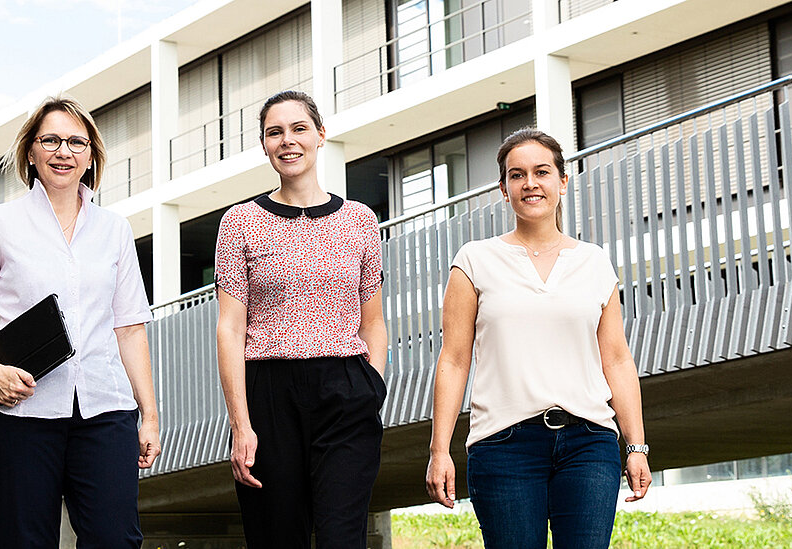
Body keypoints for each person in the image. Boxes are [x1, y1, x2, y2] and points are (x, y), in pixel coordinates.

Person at [0, 95, 161, 548]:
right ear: (30, 153)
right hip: (22, 415)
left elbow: (130, 327)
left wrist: (150, 416)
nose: (64, 152)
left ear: (91, 156)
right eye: (51, 140)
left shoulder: (115, 229)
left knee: (116, 540)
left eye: (77, 142)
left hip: (105, 412)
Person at [424, 128, 652, 548]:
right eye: (517, 175)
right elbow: (454, 360)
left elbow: (617, 360)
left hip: (589, 444)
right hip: (503, 445)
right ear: (504, 189)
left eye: (542, 172)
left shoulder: (594, 262)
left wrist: (636, 445)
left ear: (562, 182)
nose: (530, 183)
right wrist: (440, 451)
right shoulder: (474, 260)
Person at [214, 90, 388, 548]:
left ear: (320, 135)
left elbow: (373, 321)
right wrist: (241, 424)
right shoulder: (240, 222)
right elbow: (230, 328)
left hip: (346, 389)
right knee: (276, 537)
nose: (287, 141)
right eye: (275, 132)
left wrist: (371, 388)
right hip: (269, 395)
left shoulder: (359, 220)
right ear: (264, 145)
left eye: (299, 129)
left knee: (342, 538)